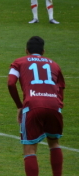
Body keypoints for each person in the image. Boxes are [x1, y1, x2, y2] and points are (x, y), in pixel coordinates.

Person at [7, 36, 65, 176]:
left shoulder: (19, 62)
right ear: (43, 51)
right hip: (54, 105)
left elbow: (10, 83)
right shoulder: (54, 64)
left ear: (26, 50)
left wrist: (19, 106)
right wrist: (58, 104)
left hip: (32, 105)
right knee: (54, 143)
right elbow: (61, 87)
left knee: (30, 149)